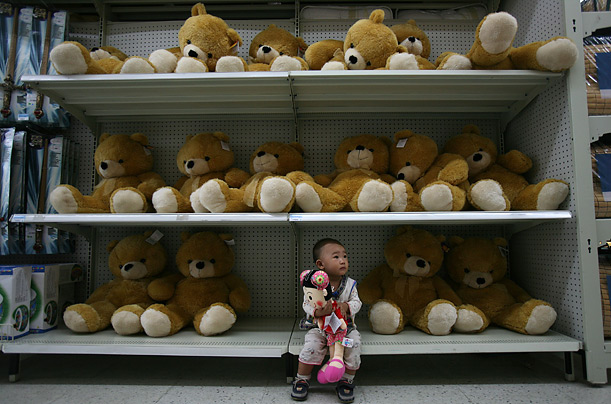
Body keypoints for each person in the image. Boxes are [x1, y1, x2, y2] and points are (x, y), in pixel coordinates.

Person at [292, 238, 362, 403]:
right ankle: (302, 378)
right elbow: (306, 303)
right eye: (336, 257)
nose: (343, 261)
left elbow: (358, 302)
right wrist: (316, 311)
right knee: (311, 346)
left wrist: (346, 306)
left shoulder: (350, 285)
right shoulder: (314, 285)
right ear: (321, 264)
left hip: (345, 328)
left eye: (345, 256)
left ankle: (346, 380)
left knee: (354, 344)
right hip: (320, 328)